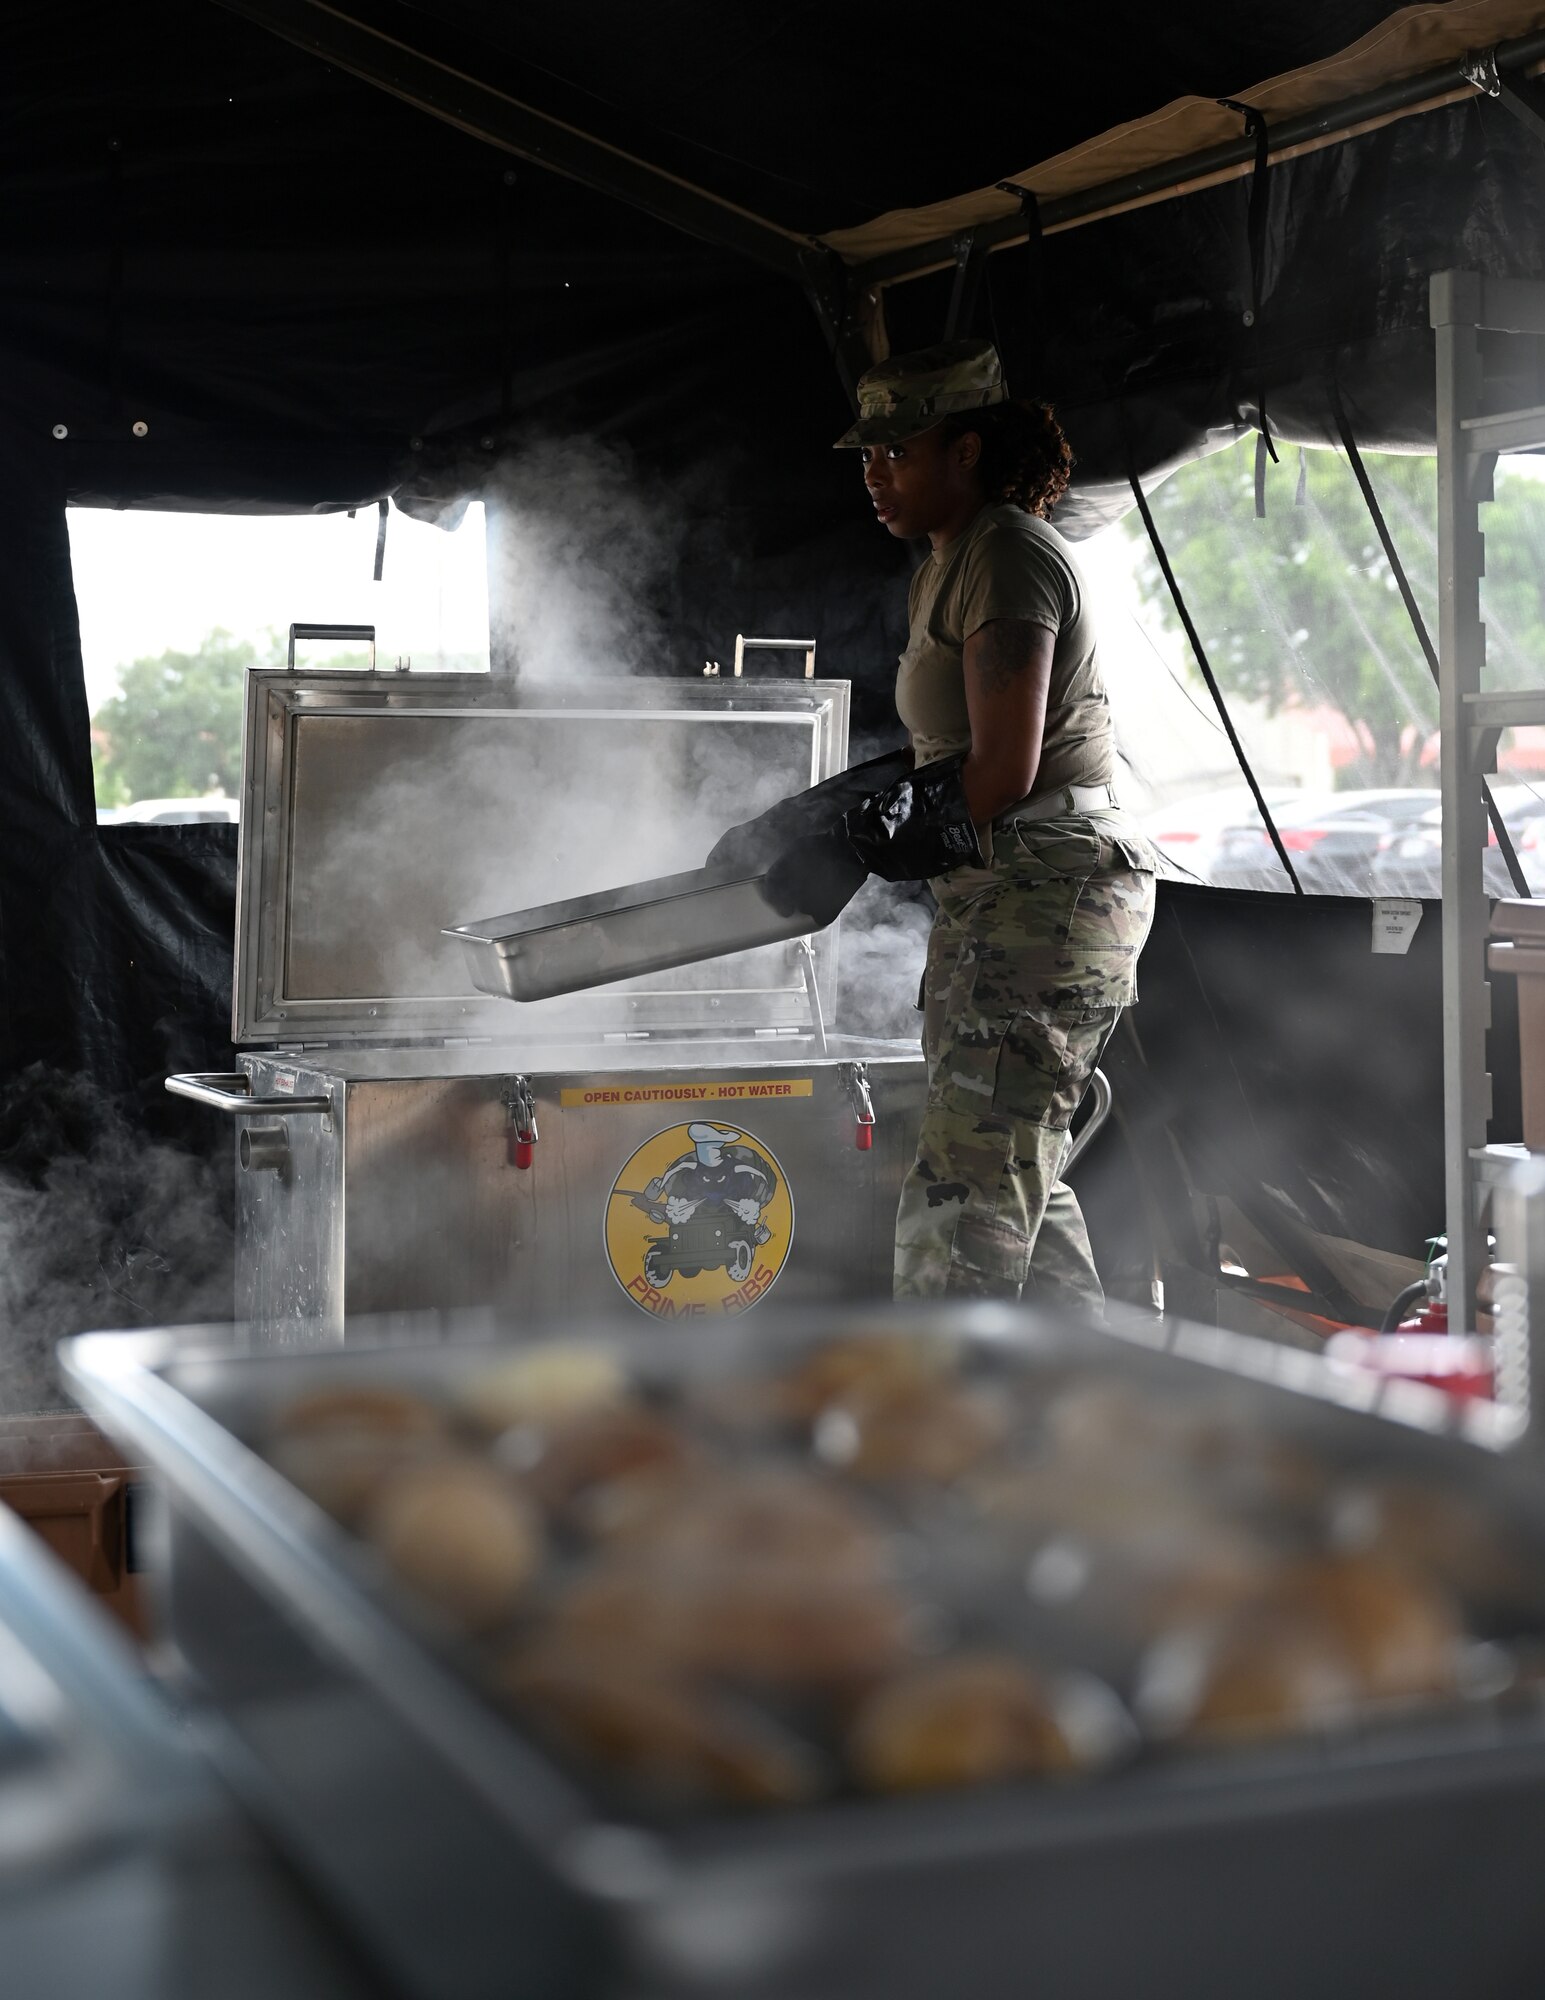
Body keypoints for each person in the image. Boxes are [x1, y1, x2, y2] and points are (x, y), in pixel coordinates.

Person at [822, 337, 1157, 1312]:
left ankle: (937, 1432)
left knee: (965, 1195)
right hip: (1004, 894)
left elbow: (1004, 768)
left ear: (966, 451)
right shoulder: (951, 558)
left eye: (901, 450)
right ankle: (1090, 1413)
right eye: (866, 456)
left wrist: (891, 835)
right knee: (1015, 1181)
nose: (876, 474)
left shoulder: (1007, 552)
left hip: (1043, 896)